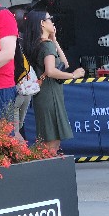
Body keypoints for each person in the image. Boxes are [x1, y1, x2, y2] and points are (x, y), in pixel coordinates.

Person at [25, 8, 82, 149]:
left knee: (49, 138)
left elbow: (65, 64)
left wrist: (54, 40)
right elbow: (51, 71)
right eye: (49, 19)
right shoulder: (46, 45)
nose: (52, 22)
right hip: (50, 94)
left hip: (44, 94)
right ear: (42, 23)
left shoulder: (39, 44)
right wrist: (73, 75)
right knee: (52, 141)